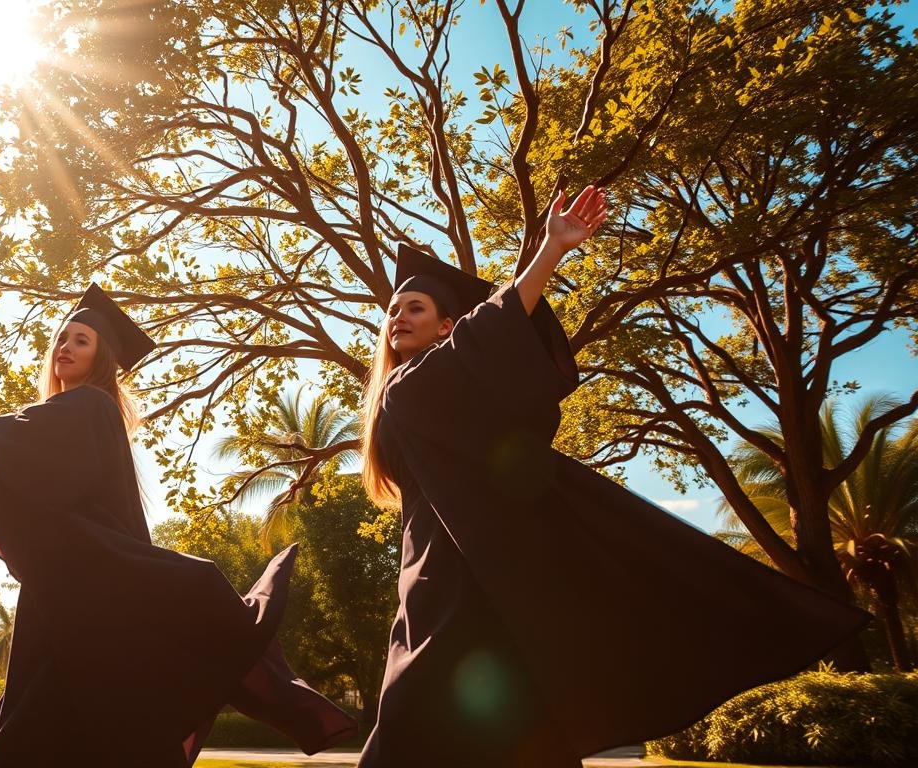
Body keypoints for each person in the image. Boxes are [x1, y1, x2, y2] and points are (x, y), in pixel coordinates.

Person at [356, 187, 870, 767]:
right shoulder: (407, 398)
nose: (397, 316)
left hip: (470, 587)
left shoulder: (419, 384)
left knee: (433, 727)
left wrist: (550, 249)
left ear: (450, 326)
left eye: (415, 307)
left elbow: (486, 336)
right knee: (495, 727)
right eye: (393, 311)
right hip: (443, 579)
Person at [0, 283, 358, 766]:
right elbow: (38, 464)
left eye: (81, 340)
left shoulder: (90, 405)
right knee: (77, 720)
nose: (65, 346)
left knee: (44, 722)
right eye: (62, 338)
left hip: (80, 594)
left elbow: (19, 438)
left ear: (103, 357)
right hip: (71, 592)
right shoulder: (77, 417)